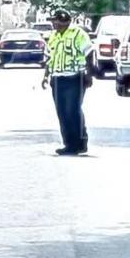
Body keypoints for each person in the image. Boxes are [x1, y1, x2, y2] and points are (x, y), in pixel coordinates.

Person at [41, 10, 94, 156]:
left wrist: (89, 74)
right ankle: (69, 144)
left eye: (56, 21)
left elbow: (89, 54)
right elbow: (50, 58)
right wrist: (46, 76)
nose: (54, 24)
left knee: (73, 110)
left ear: (65, 21)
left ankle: (80, 143)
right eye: (53, 21)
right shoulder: (53, 36)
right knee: (62, 112)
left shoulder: (78, 34)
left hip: (75, 77)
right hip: (57, 78)